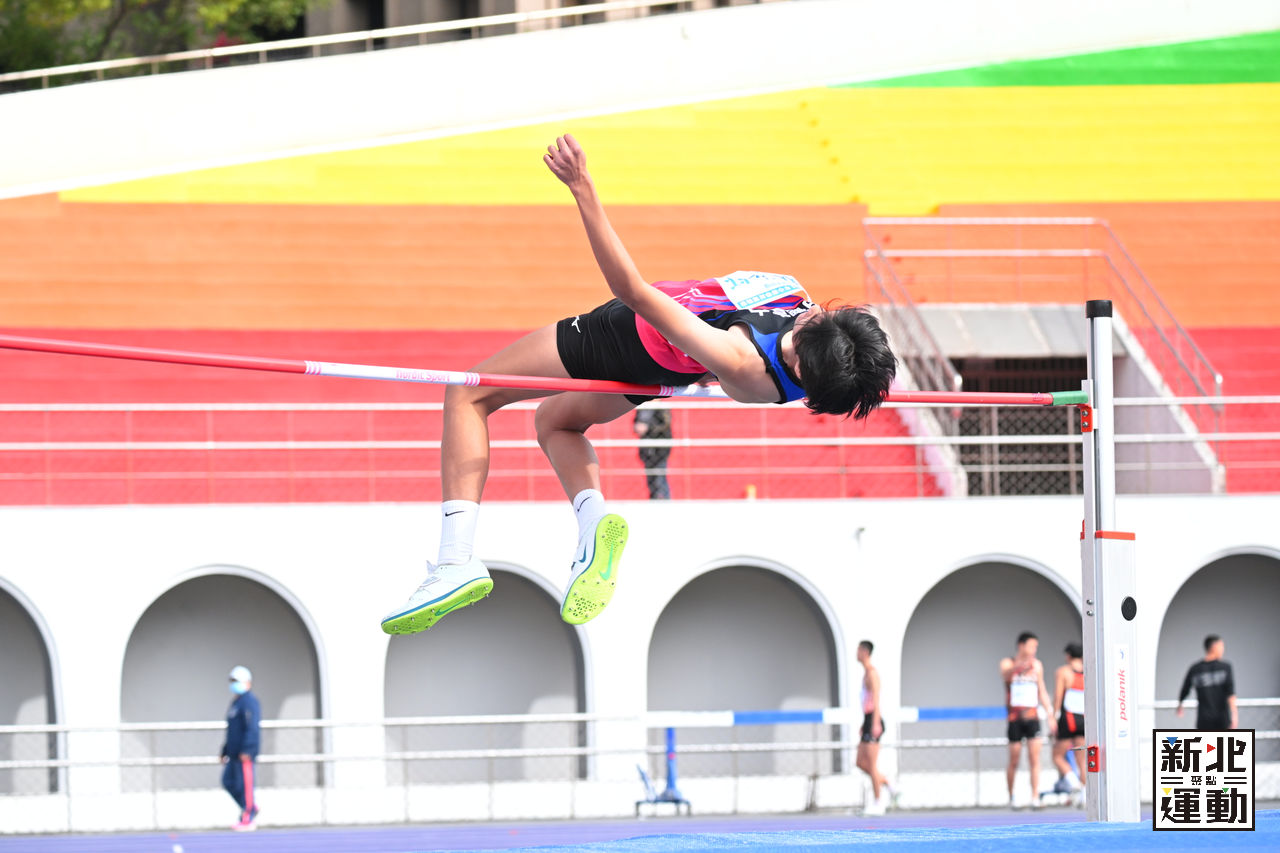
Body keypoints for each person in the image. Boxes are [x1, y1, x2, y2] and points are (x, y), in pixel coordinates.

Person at [379, 135, 897, 635]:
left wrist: (582, 188)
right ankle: (592, 526)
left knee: (468, 393)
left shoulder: (744, 362)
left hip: (623, 337)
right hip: (659, 367)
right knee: (555, 423)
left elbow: (632, 290)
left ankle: (455, 561)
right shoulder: (809, 323)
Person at [1000, 632, 1055, 809]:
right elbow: (1006, 675)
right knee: (1014, 759)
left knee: (1034, 758)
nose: (1034, 650)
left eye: (1035, 647)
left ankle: (1035, 796)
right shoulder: (1008, 663)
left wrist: (1050, 714)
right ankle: (1012, 797)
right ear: (1021, 645)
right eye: (1031, 646)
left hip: (1032, 717)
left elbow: (1042, 690)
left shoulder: (1037, 665)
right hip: (1015, 718)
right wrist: (1022, 664)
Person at [221, 665, 261, 831]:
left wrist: (248, 749)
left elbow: (252, 728)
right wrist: (224, 751)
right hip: (233, 753)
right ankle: (250, 806)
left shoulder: (250, 702)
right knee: (228, 782)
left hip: (244, 754)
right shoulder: (236, 703)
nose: (233, 684)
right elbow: (232, 730)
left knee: (246, 785)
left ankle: (248, 817)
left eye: (236, 681)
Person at [855, 640, 893, 815]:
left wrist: (875, 723)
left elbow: (876, 700)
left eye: (858, 650)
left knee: (871, 765)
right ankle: (889, 784)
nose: (856, 653)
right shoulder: (865, 674)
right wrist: (863, 724)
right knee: (860, 763)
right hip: (867, 720)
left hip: (873, 720)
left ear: (865, 652)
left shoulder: (872, 674)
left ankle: (879, 802)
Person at [1176, 634, 1238, 730]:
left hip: (1212, 719)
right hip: (1214, 720)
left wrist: (1180, 704)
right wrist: (1235, 715)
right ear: (1214, 647)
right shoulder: (1224, 668)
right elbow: (1231, 693)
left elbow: (1185, 690)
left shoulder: (1196, 668)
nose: (1223, 649)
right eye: (1221, 646)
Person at [1050, 642, 1085, 799]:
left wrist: (1054, 716)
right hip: (1083, 719)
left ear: (1068, 655)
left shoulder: (1063, 672)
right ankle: (1085, 794)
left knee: (1057, 756)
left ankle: (1074, 783)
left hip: (1068, 718)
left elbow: (1058, 695)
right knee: (1082, 759)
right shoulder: (1089, 671)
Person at [632, 406, 672, 499]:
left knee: (660, 477)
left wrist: (648, 427)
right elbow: (636, 421)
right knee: (650, 479)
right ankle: (654, 499)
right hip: (647, 451)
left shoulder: (662, 409)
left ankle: (666, 500)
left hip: (660, 449)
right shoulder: (642, 409)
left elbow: (664, 425)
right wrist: (637, 427)